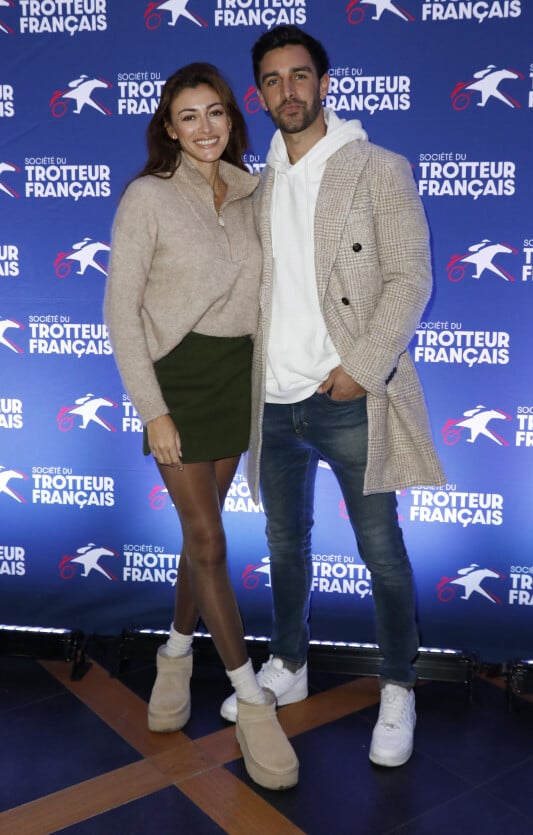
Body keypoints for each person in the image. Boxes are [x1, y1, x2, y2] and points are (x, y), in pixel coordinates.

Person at [220, 27, 446, 768]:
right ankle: (289, 661)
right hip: (273, 403)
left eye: (300, 75)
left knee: (381, 550)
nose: (288, 90)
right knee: (285, 544)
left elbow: (410, 278)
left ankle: (398, 684)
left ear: (324, 84)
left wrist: (362, 365)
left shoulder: (378, 168)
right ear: (259, 93)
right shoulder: (254, 186)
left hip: (349, 394)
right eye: (273, 79)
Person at [104, 62, 298, 791]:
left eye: (215, 113)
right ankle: (252, 701)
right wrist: (152, 408)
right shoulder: (147, 197)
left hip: (234, 381)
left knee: (202, 531)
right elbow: (121, 312)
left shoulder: (255, 193)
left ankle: (177, 650)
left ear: (231, 119)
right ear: (168, 127)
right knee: (210, 538)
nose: (205, 128)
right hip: (176, 384)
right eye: (189, 116)